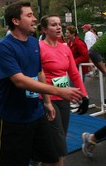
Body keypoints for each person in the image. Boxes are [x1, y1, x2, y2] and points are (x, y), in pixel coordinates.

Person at [0, 1, 82, 166]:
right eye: (29, 15)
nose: (34, 19)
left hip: (37, 113)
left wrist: (47, 102)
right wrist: (59, 91)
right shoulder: (4, 47)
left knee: (54, 160)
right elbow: (19, 81)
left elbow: (39, 72)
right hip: (12, 119)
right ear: (16, 21)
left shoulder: (34, 42)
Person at [39, 15, 89, 165]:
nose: (59, 27)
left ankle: (42, 162)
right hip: (47, 100)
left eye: (59, 24)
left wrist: (84, 96)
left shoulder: (65, 48)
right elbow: (36, 74)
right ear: (44, 29)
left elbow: (74, 73)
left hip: (64, 99)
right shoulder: (39, 47)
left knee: (60, 137)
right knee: (59, 143)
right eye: (54, 25)